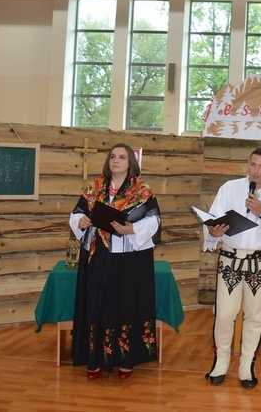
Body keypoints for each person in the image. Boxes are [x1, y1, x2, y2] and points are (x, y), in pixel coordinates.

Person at [203, 147, 261, 390]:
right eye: (253, 165)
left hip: (260, 261)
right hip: (230, 259)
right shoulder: (230, 188)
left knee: (254, 316)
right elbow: (212, 218)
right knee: (223, 314)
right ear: (248, 164)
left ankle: (246, 366)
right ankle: (220, 362)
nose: (256, 170)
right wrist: (212, 232)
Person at [69, 143, 161, 381]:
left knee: (125, 305)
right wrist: (80, 221)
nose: (116, 161)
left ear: (131, 162)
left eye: (122, 157)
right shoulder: (95, 187)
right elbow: (77, 212)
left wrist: (133, 228)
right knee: (97, 305)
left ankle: (125, 360)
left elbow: (154, 221)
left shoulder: (142, 190)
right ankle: (94, 359)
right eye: (112, 157)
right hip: (98, 256)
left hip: (130, 259)